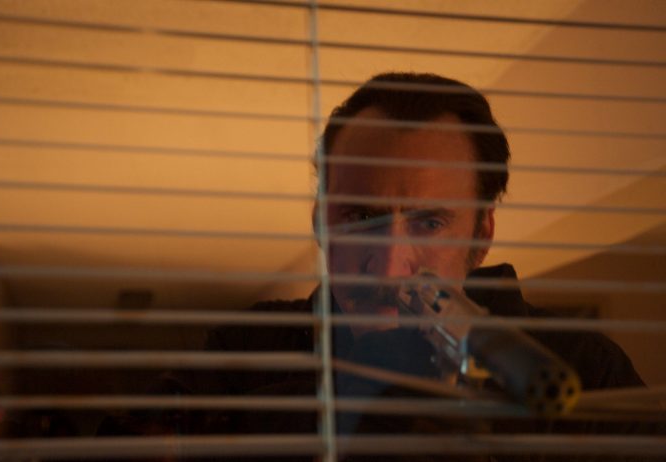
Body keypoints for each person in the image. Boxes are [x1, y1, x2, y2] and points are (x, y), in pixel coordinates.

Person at [101, 72, 656, 461]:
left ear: (482, 234)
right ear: (320, 221)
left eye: (429, 223)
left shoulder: (580, 366)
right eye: (360, 217)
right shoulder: (248, 349)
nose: (388, 265)